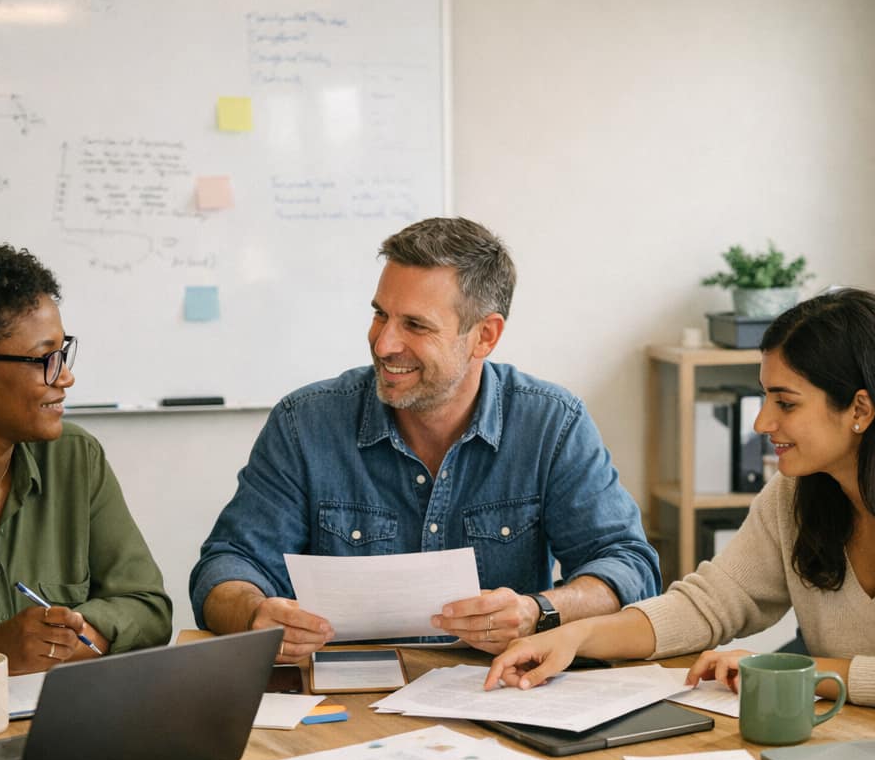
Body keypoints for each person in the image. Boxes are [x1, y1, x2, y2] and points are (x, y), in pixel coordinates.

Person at [191, 216, 659, 660]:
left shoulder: (551, 424)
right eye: (380, 314)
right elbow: (226, 567)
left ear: (485, 336)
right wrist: (254, 613)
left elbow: (628, 566)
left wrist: (539, 611)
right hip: (342, 696)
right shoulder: (305, 423)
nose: (383, 344)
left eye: (415, 325)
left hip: (498, 691)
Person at [486, 288, 875, 711]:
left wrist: (788, 672)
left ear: (860, 409)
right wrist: (576, 635)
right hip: (846, 741)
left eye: (786, 403)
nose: (761, 423)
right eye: (764, 398)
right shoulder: (794, 495)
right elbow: (707, 605)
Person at [0, 237, 172, 673]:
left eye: (63, 353)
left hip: (62, 711)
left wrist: (65, 641)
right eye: (44, 358)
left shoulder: (74, 458)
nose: (65, 377)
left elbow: (147, 607)